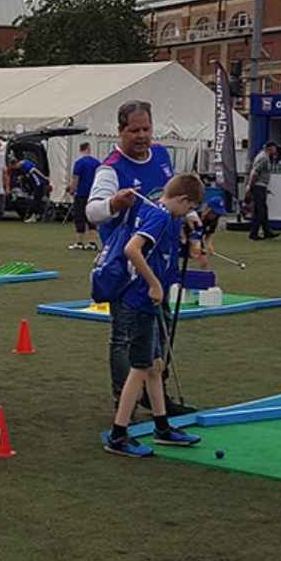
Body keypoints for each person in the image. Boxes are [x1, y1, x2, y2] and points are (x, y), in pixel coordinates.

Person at [85, 100, 188, 411]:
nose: (142, 136)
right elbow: (92, 212)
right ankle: (123, 401)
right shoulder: (111, 168)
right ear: (120, 131)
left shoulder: (161, 155)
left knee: (162, 326)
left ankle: (156, 397)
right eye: (134, 130)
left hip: (161, 261)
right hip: (125, 266)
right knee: (125, 334)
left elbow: (172, 198)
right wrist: (115, 203)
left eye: (146, 129)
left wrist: (189, 218)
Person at [102, 173, 206, 457]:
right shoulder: (160, 217)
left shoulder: (165, 215)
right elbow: (132, 249)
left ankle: (162, 426)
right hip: (138, 300)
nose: (188, 212)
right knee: (140, 367)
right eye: (189, 207)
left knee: (155, 366)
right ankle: (118, 434)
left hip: (148, 303)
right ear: (182, 200)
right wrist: (154, 283)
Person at [243, 140, 280, 240]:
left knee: (262, 209)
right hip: (258, 186)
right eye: (275, 148)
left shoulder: (265, 156)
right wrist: (250, 186)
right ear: (270, 148)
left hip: (261, 186)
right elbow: (254, 172)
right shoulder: (263, 158)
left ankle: (266, 231)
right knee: (260, 210)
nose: (276, 150)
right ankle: (254, 233)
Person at [68, 142, 101, 251]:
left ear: (80, 149)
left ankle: (79, 242)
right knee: (91, 218)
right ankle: (92, 243)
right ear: (88, 149)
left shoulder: (79, 163)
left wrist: (72, 189)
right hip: (93, 194)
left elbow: (76, 178)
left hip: (81, 194)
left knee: (79, 217)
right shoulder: (97, 163)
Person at [11, 157, 49, 223]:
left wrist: (45, 178)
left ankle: (36, 216)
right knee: (36, 199)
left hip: (38, 183)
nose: (15, 168)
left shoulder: (26, 164)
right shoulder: (23, 166)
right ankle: (36, 215)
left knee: (36, 199)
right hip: (36, 184)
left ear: (16, 164)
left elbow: (36, 171)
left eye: (14, 167)